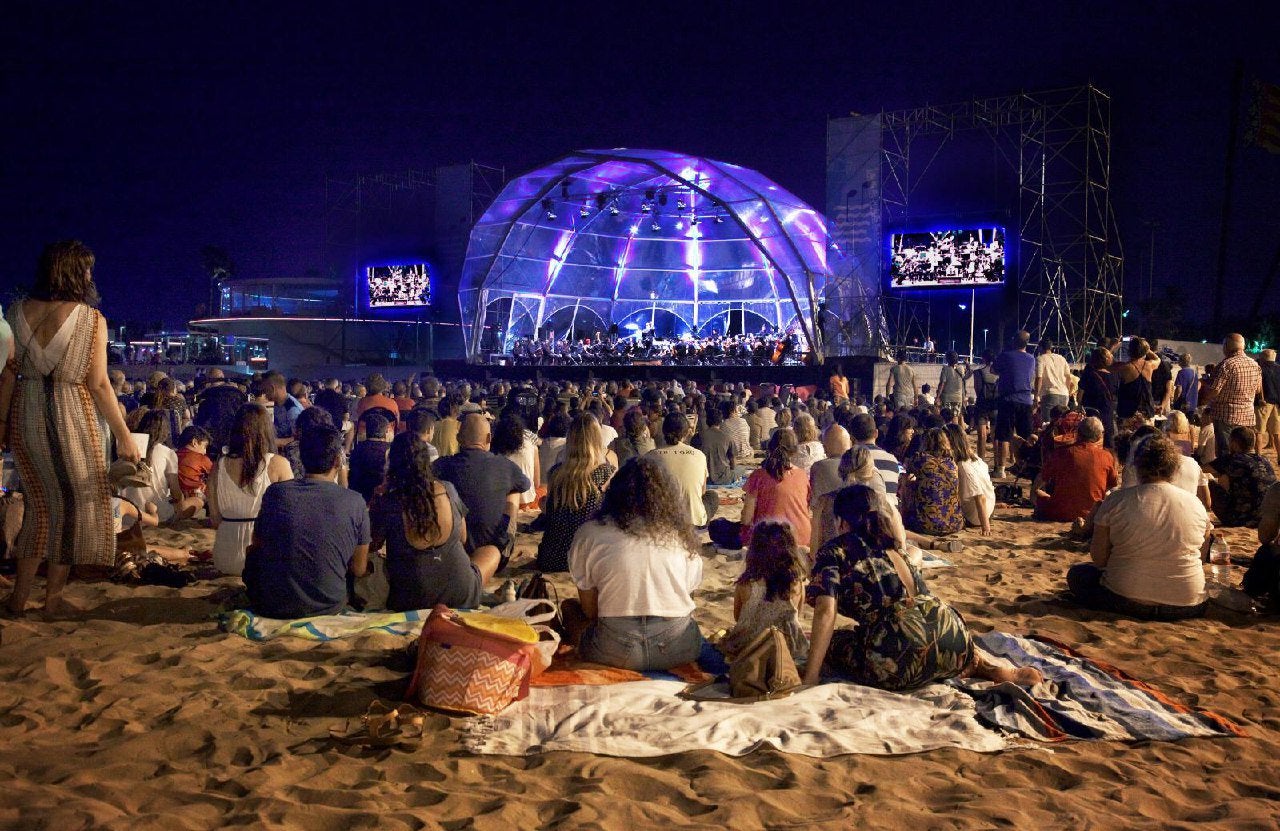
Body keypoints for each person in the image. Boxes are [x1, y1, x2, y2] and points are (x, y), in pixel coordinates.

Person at [0, 241, 142, 618]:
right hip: (72, 420)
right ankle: (53, 602)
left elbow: (9, 376)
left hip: (26, 418)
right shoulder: (91, 319)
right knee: (71, 513)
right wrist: (124, 434)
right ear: (74, 272)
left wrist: (2, 425)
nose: (90, 276)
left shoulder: (16, 312)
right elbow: (98, 384)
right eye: (87, 270)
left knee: (37, 508)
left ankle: (17, 600)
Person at [804, 485, 1041, 689]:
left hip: (900, 652)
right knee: (923, 636)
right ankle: (984, 666)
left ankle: (942, 666)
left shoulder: (836, 550)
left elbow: (826, 611)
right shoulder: (893, 545)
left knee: (837, 642)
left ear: (842, 521)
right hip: (952, 635)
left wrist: (810, 678)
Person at [563, 457, 704, 671]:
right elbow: (687, 599)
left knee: (569, 608)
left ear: (614, 493)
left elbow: (590, 611)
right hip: (679, 649)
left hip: (614, 651)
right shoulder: (682, 536)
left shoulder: (589, 534)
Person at [1066, 435, 1210, 620]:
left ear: (1137, 466)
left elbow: (1100, 559)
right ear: (1174, 468)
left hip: (1125, 599)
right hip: (1189, 604)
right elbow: (1202, 556)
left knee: (1079, 574)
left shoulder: (1117, 500)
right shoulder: (1196, 505)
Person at [371, 433, 500, 612]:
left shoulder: (389, 502)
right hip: (461, 594)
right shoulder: (448, 490)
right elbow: (462, 538)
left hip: (410, 599)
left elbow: (372, 545)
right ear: (427, 462)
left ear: (392, 465)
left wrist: (378, 498)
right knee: (491, 551)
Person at [432, 413, 530, 571]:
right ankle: (504, 541)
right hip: (493, 555)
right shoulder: (505, 465)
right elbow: (525, 484)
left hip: (450, 553)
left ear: (458, 439)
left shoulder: (441, 466)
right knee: (514, 491)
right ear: (489, 438)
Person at [209, 404, 294, 575]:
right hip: (262, 554)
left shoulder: (218, 466)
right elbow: (290, 516)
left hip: (225, 555)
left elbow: (215, 519)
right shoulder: (277, 464)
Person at [718, 521, 808, 663]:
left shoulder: (746, 584)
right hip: (786, 650)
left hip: (748, 648)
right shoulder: (796, 584)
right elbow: (799, 614)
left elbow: (738, 616)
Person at [537, 414, 616, 572]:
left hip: (551, 557)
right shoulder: (608, 474)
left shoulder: (556, 473)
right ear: (597, 440)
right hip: (587, 561)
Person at [1033, 416, 1118, 522]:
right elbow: (1111, 485)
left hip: (1059, 513)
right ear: (1099, 435)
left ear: (1078, 433)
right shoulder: (1107, 456)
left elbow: (1041, 479)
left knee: (1039, 494)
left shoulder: (1062, 453)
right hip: (1092, 514)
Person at [740, 429, 811, 548]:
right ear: (794, 451)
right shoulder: (802, 475)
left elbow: (746, 519)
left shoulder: (759, 476)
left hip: (770, 539)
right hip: (802, 537)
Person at [1201, 333, 1262, 460]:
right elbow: (1257, 390)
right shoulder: (1255, 365)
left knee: (1226, 453)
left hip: (1226, 416)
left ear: (1226, 346)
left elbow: (1214, 391)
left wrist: (1206, 400)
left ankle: (1227, 478)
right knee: (1244, 451)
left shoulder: (1226, 365)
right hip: (1247, 416)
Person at [647, 412, 713, 527]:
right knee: (712, 497)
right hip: (692, 522)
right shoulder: (699, 455)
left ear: (663, 431)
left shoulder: (650, 456)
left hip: (659, 523)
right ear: (687, 432)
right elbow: (702, 491)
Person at [899, 428, 964, 536]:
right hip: (955, 523)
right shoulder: (951, 462)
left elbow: (905, 472)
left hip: (926, 524)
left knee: (907, 485)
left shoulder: (920, 459)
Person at [1207, 426, 1277, 528]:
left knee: (1209, 482)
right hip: (1263, 517)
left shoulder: (1233, 459)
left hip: (1238, 518)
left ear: (1235, 443)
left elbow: (1200, 468)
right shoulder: (1265, 460)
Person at [992, 331, 1037, 478]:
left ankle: (1001, 469)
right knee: (1026, 436)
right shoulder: (1032, 359)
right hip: (1026, 400)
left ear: (1013, 341)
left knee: (1004, 436)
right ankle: (1025, 466)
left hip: (1008, 400)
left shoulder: (1006, 356)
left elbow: (993, 370)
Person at [944, 423, 995, 535]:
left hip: (975, 516)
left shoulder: (963, 466)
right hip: (989, 507)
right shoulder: (975, 458)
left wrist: (985, 528)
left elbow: (980, 497)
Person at [849, 413, 902, 502]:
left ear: (852, 438)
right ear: (876, 433)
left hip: (864, 512)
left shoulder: (851, 458)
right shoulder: (892, 459)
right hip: (892, 512)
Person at [348, 411, 392, 503]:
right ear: (386, 431)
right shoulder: (390, 450)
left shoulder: (357, 449)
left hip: (358, 495)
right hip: (381, 497)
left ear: (367, 430)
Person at [1078, 346, 1118, 448]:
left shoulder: (1088, 373)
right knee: (1107, 441)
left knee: (1089, 439)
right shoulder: (1114, 376)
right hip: (1107, 411)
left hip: (1090, 411)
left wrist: (1079, 405)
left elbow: (1080, 393)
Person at [1114, 336, 1158, 421]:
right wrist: (1146, 349)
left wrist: (1116, 345)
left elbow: (1107, 361)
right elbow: (1157, 359)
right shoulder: (1149, 365)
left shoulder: (1125, 367)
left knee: (1127, 434)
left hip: (1127, 414)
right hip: (1147, 413)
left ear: (1129, 351)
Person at [695, 405, 737, 487]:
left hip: (704, 478)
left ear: (707, 421)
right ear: (721, 421)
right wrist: (732, 471)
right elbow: (733, 460)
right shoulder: (727, 437)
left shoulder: (699, 437)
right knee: (741, 470)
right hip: (724, 477)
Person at [175, 425, 214, 503]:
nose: (205, 451)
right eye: (204, 447)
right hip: (195, 495)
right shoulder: (201, 458)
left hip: (177, 495)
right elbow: (216, 474)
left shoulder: (174, 454)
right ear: (194, 443)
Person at [1035, 342, 1075, 413]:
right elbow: (1068, 377)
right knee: (1061, 422)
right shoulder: (1062, 358)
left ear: (1040, 348)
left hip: (1049, 394)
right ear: (1051, 348)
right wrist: (1067, 393)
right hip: (1064, 395)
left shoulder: (1040, 359)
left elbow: (1039, 378)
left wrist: (1036, 396)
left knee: (1047, 422)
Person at [1256, 349, 1280, 465]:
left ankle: (1258, 458)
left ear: (1263, 357)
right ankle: (1279, 457)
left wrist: (1261, 398)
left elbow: (1259, 386)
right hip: (1277, 404)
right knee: (1276, 433)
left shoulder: (1260, 369)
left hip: (1263, 404)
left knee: (1258, 431)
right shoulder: (1279, 369)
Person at [937, 352, 969, 428]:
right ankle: (955, 435)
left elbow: (942, 384)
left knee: (946, 418)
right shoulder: (961, 368)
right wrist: (967, 364)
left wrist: (937, 396)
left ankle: (949, 435)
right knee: (955, 417)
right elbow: (966, 375)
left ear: (948, 359)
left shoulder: (945, 369)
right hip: (958, 398)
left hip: (947, 397)